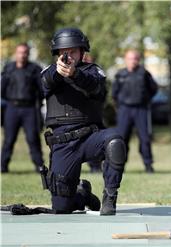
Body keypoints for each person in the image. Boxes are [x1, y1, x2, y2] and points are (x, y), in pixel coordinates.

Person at [41, 27, 126, 215]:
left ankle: (109, 198)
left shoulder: (93, 71)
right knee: (62, 208)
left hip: (90, 139)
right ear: (57, 54)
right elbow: (47, 82)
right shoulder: (49, 72)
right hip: (63, 144)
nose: (68, 55)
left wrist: (74, 74)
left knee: (115, 140)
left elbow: (95, 88)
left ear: (82, 51)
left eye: (72, 51)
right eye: (64, 52)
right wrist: (61, 72)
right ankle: (83, 194)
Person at [1, 43, 44, 173]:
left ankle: (39, 166)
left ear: (28, 54)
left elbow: (41, 90)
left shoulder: (34, 69)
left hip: (29, 108)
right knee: (9, 139)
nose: (22, 55)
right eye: (20, 52)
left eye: (25, 52)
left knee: (33, 138)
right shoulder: (9, 68)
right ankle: (3, 166)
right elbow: (2, 90)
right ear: (16, 53)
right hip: (12, 108)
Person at [112, 49, 158, 173]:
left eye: (135, 58)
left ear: (138, 60)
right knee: (121, 139)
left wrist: (145, 100)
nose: (133, 61)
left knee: (145, 139)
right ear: (125, 60)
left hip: (141, 109)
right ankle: (119, 166)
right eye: (130, 58)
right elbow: (114, 93)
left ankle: (148, 165)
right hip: (124, 110)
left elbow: (153, 89)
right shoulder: (120, 74)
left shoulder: (144, 73)